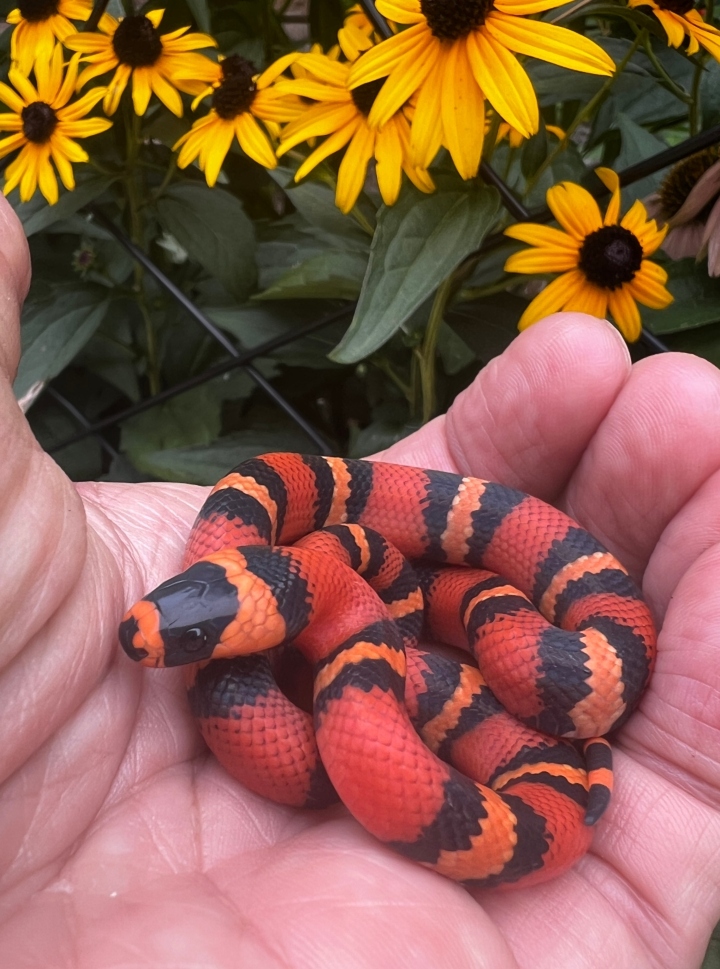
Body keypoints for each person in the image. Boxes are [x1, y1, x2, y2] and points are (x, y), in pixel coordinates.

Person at [0, 193, 718, 969]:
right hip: (375, 630)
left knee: (479, 607)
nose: (164, 632)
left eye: (196, 634)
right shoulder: (317, 592)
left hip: (435, 634)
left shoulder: (334, 603)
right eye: (188, 624)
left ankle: (482, 633)